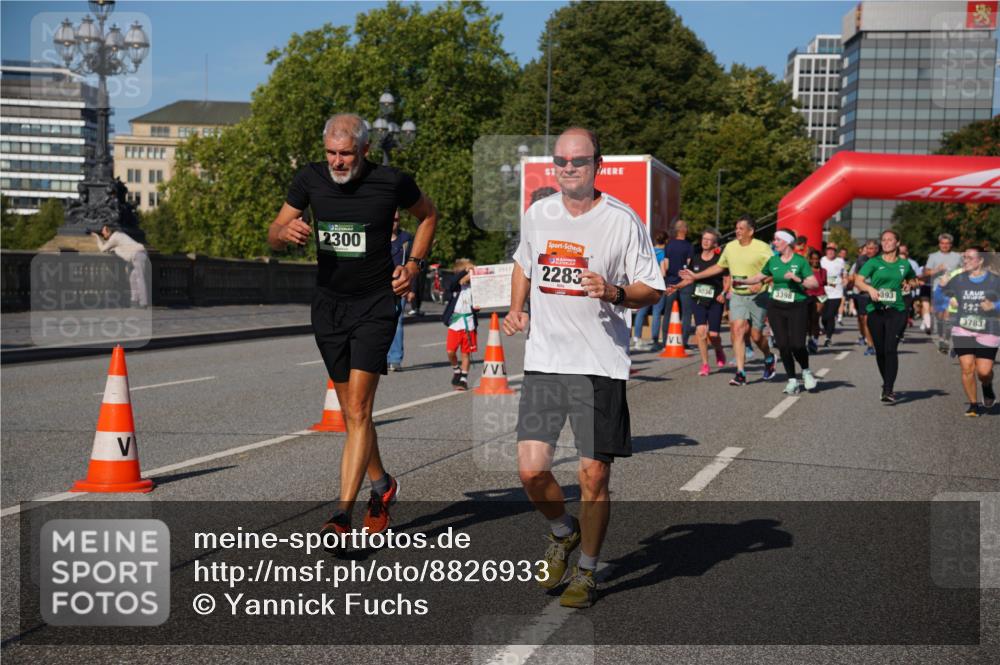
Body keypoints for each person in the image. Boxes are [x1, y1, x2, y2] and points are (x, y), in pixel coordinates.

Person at [503, 127, 663, 608]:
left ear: (598, 164)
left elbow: (652, 288)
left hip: (598, 363)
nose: (568, 168)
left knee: (593, 476)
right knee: (531, 472)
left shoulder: (622, 220)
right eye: (561, 161)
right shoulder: (539, 214)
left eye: (578, 160)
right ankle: (562, 531)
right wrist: (517, 308)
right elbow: (524, 264)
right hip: (546, 361)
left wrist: (614, 291)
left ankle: (587, 572)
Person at [267, 113, 437, 539]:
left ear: (364, 149)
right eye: (331, 153)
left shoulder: (391, 181)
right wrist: (284, 232)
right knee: (350, 413)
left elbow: (428, 215)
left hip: (375, 305)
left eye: (345, 154)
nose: (337, 162)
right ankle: (383, 486)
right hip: (328, 307)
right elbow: (273, 231)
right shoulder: (309, 179)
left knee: (359, 409)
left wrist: (413, 266)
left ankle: (342, 514)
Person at [679, 215, 776, 386]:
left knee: (756, 335)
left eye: (741, 228)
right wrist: (696, 276)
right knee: (738, 330)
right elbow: (719, 266)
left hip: (758, 296)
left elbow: (775, 269)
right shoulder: (730, 247)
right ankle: (741, 373)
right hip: (737, 295)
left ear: (751, 231)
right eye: (736, 228)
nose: (737, 231)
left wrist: (761, 282)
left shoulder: (762, 248)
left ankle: (768, 357)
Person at [735, 230, 820, 394]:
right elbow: (758, 277)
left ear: (787, 242)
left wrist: (798, 279)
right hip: (776, 307)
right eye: (774, 240)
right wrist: (742, 281)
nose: (774, 243)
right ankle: (792, 380)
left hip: (797, 306)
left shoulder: (800, 261)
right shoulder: (773, 261)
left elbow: (814, 284)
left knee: (797, 344)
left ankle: (806, 371)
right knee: (783, 345)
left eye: (777, 240)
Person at [854, 229, 918, 404]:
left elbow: (914, 279)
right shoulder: (874, 262)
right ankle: (886, 382)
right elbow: (858, 281)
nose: (886, 242)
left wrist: (910, 284)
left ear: (897, 243)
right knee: (881, 351)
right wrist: (870, 289)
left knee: (890, 348)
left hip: (897, 310)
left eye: (890, 240)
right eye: (884, 240)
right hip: (876, 310)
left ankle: (888, 389)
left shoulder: (904, 264)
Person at [941, 247, 999, 416]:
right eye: (964, 257)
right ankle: (973, 405)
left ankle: (986, 385)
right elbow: (942, 295)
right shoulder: (958, 279)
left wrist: (994, 306)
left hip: (988, 329)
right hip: (962, 328)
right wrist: (943, 289)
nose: (965, 261)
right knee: (967, 368)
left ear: (980, 260)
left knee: (984, 372)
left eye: (970, 258)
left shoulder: (994, 280)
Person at [672, 228, 728, 375]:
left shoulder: (720, 260)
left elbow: (727, 279)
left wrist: (724, 293)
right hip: (698, 299)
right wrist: (677, 286)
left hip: (715, 300)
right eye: (704, 239)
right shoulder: (695, 258)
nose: (705, 242)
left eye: (709, 240)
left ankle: (718, 350)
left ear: (715, 243)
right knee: (701, 331)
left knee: (714, 335)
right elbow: (689, 278)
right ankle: (705, 364)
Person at [92, 224, 149, 308]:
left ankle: (143, 302)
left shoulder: (115, 237)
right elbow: (112, 247)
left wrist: (97, 237)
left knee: (140, 278)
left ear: (109, 231)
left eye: (103, 232)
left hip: (138, 254)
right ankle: (135, 301)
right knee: (132, 278)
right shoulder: (118, 237)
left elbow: (103, 249)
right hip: (137, 255)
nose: (102, 234)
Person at [443, 258, 478, 391]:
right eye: (465, 272)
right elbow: (453, 283)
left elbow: (477, 305)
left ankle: (463, 379)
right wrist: (464, 272)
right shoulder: (455, 288)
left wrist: (477, 308)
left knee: (465, 353)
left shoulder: (473, 288)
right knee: (450, 351)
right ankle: (456, 369)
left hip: (469, 324)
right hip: (455, 323)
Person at [924, 233, 963, 349]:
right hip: (938, 288)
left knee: (948, 314)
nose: (945, 245)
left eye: (947, 243)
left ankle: (946, 339)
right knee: (939, 315)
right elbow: (926, 272)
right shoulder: (933, 256)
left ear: (951, 244)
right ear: (939, 244)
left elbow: (963, 270)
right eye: (942, 243)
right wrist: (937, 269)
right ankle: (941, 336)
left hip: (953, 290)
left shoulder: (957, 256)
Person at [630, 231, 668, 350]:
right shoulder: (662, 253)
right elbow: (663, 272)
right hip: (657, 286)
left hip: (645, 284)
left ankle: (637, 338)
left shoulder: (648, 251)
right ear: (665, 241)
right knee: (656, 313)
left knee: (642, 311)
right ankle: (654, 340)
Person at [387, 210, 413, 371]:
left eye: (396, 219)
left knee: (397, 322)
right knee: (378, 322)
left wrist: (411, 288)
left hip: (399, 286)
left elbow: (414, 265)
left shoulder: (406, 239)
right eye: (391, 218)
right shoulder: (377, 237)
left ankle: (395, 359)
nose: (394, 222)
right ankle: (380, 357)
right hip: (379, 286)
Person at [662, 220, 695, 348]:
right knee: (686, 312)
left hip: (671, 282)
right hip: (685, 283)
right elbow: (689, 264)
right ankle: (684, 342)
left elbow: (666, 265)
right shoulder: (689, 246)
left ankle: (665, 341)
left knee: (668, 312)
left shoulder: (669, 245)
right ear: (683, 230)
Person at [848, 240, 879, 356]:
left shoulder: (882, 260)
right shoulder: (861, 259)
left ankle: (879, 342)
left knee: (879, 320)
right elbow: (856, 276)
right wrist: (861, 286)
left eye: (872, 249)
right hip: (864, 293)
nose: (869, 251)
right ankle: (870, 345)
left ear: (877, 249)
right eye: (868, 248)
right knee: (865, 319)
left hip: (879, 293)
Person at [820, 242, 846, 347]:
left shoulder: (840, 261)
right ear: (826, 251)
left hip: (836, 293)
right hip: (823, 293)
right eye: (829, 249)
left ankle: (828, 337)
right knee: (824, 317)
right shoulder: (821, 260)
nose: (830, 251)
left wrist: (845, 280)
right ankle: (827, 331)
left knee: (830, 315)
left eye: (833, 250)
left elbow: (844, 274)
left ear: (835, 251)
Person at [805, 249, 827, 354]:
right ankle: (810, 338)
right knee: (808, 320)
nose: (815, 261)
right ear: (809, 259)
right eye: (813, 259)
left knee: (815, 317)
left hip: (821, 296)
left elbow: (825, 283)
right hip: (808, 295)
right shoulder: (806, 270)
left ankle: (815, 341)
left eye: (817, 259)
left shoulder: (823, 271)